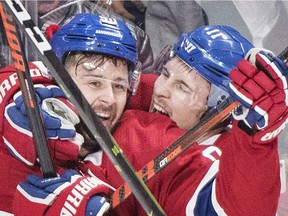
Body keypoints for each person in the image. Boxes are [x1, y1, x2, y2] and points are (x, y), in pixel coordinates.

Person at [5, 20, 288, 216]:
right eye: (166, 73)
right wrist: (15, 93)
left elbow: (225, 208)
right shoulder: (141, 101)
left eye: (182, 87)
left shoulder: (198, 158)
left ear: (218, 109)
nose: (161, 90)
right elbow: (59, 66)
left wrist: (256, 143)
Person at [0, 13, 139, 215]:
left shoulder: (133, 134)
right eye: (94, 82)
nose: (109, 99)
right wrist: (12, 90)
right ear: (55, 78)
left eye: (119, 86)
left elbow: (161, 89)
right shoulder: (17, 135)